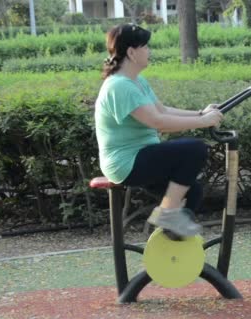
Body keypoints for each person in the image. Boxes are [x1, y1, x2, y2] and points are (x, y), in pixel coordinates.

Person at [94, 24, 223, 237]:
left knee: (194, 190)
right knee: (196, 150)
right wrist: (204, 122)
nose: (149, 51)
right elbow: (158, 122)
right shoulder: (120, 86)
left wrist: (201, 114)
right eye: (145, 46)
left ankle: (169, 243)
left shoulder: (136, 81)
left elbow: (162, 110)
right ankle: (168, 213)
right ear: (132, 53)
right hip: (127, 163)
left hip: (142, 156)